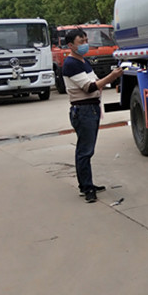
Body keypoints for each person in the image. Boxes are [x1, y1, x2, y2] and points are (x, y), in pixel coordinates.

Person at [62, 28, 124, 202]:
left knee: (87, 150)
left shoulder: (83, 62)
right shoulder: (71, 64)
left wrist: (104, 82)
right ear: (71, 45)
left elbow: (96, 82)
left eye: (86, 40)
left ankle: (87, 184)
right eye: (81, 42)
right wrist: (112, 76)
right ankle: (86, 188)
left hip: (91, 109)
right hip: (83, 111)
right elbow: (89, 87)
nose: (85, 44)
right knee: (85, 151)